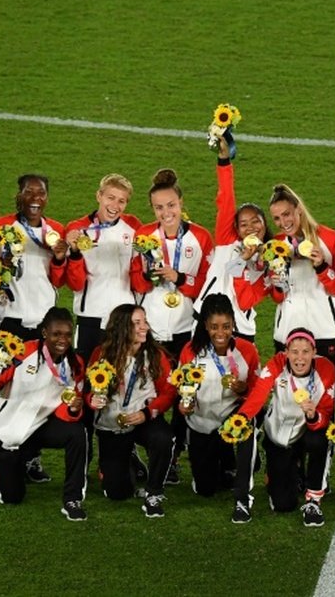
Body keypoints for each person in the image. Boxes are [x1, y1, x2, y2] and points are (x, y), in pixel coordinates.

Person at [130, 168, 213, 485]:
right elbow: (133, 280)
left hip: (184, 334)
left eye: (171, 205)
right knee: (148, 391)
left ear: (181, 202)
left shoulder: (201, 237)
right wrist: (148, 276)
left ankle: (174, 456)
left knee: (183, 395)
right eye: (159, 208)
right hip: (150, 335)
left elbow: (206, 284)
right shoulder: (144, 238)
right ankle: (149, 451)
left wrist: (178, 278)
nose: (166, 213)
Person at [0, 173, 71, 484]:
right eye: (28, 191)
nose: (35, 197)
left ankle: (31, 457)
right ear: (19, 195)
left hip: (44, 324)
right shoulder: (0, 228)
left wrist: (61, 257)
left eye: (41, 193)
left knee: (40, 391)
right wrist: (3, 264)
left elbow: (59, 279)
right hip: (11, 321)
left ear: (47, 198)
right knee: (7, 388)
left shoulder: (55, 231)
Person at [0, 307, 89, 520]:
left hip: (40, 425)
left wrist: (74, 409)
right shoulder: (22, 351)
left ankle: (73, 499)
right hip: (8, 429)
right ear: (45, 333)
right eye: (57, 334)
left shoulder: (75, 365)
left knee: (77, 433)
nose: (63, 340)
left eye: (68, 334)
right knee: (13, 497)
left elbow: (66, 410)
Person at [235, 184, 335, 370]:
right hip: (287, 332)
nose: (283, 222)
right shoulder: (275, 245)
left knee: (325, 398)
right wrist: (279, 286)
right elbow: (278, 297)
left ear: (299, 210)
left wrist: (321, 266)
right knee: (286, 397)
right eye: (277, 218)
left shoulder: (330, 239)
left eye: (287, 214)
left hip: (326, 332)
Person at [237, 328, 335, 526]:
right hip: (279, 435)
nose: (300, 358)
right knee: (283, 504)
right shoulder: (276, 364)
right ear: (286, 352)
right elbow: (258, 394)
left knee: (319, 439)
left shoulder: (325, 369)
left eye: (306, 351)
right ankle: (286, 469)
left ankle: (314, 498)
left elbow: (326, 412)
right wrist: (241, 417)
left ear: (314, 351)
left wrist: (313, 416)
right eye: (294, 351)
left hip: (308, 431)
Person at [86, 304, 176, 518]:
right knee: (117, 493)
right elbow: (87, 391)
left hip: (143, 419)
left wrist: (147, 412)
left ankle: (154, 492)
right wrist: (93, 401)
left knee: (164, 438)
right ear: (122, 327)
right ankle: (130, 458)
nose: (144, 327)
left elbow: (168, 391)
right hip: (112, 424)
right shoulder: (101, 354)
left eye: (144, 321)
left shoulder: (155, 355)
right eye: (137, 323)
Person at [177, 294, 261, 520]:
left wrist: (243, 389)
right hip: (201, 422)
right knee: (206, 489)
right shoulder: (190, 351)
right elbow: (182, 389)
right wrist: (185, 404)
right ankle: (225, 462)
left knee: (247, 423)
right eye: (214, 327)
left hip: (231, 419)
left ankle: (243, 497)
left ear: (234, 324)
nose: (221, 333)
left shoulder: (248, 350)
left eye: (226, 326)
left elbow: (258, 393)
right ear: (205, 325)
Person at [194, 136, 269, 342]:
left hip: (240, 330)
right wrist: (224, 160)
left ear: (264, 224)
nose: (250, 228)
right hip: (205, 320)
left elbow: (245, 301)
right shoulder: (227, 240)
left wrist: (247, 261)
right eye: (243, 224)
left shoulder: (271, 260)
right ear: (236, 228)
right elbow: (226, 196)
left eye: (256, 222)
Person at [64, 173, 141, 362]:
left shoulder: (133, 227)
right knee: (85, 375)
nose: (115, 206)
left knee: (120, 374)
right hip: (90, 315)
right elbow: (75, 283)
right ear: (99, 196)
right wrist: (73, 253)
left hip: (123, 317)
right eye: (111, 198)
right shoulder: (77, 229)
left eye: (122, 201)